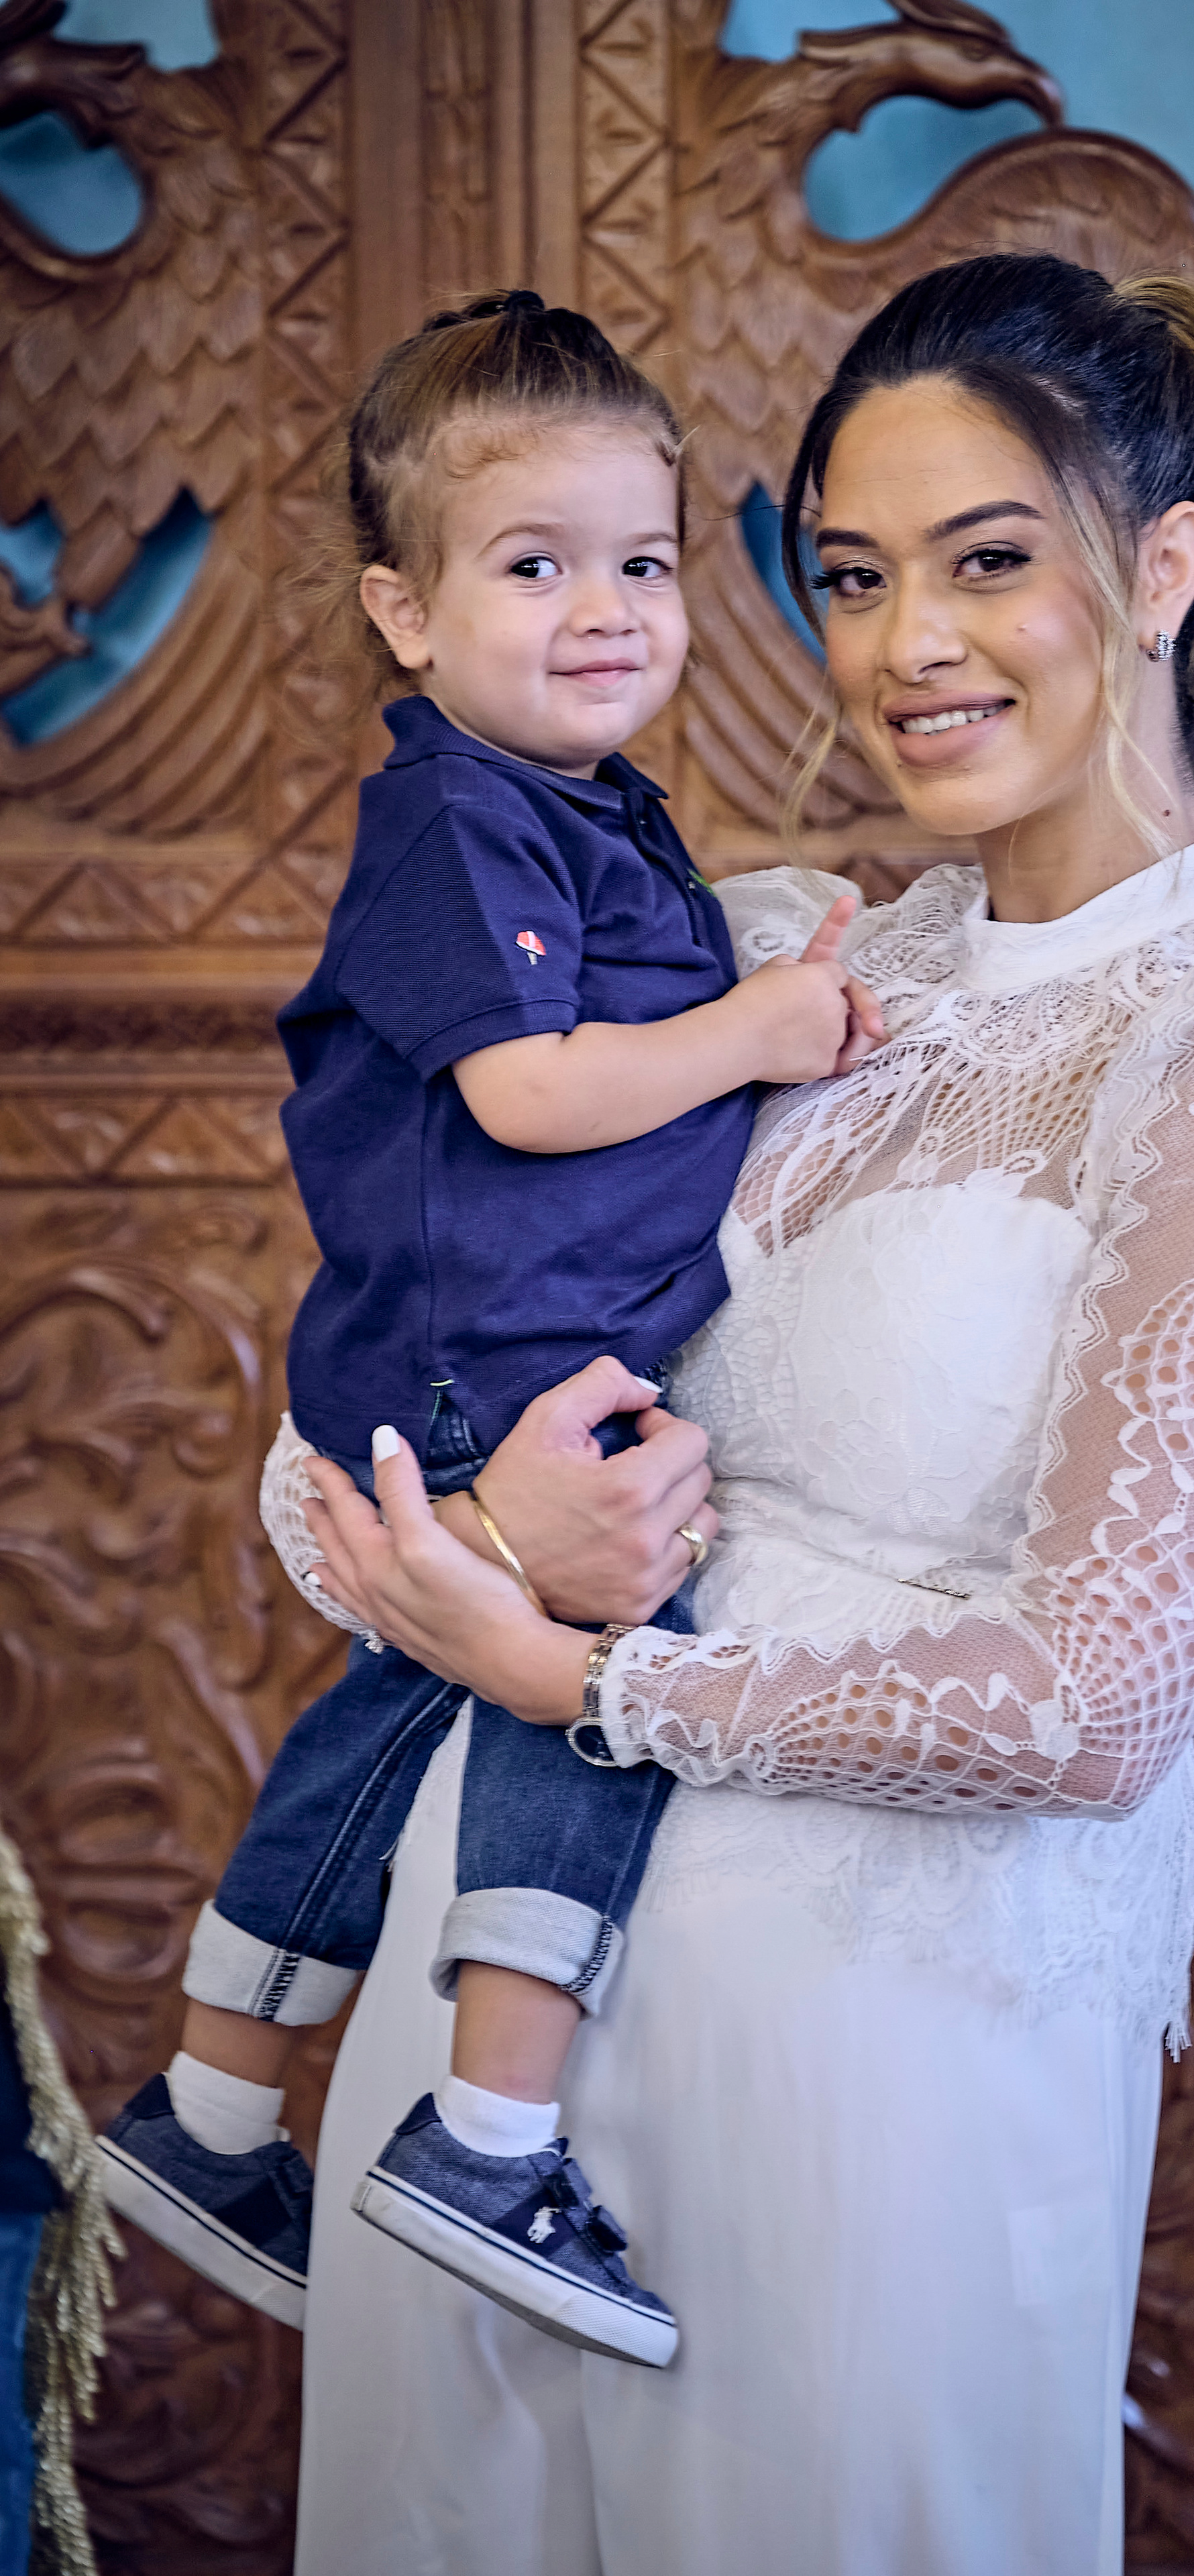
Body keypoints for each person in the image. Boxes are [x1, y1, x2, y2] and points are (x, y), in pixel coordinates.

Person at [285, 252, 1194, 2575]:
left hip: (886, 2068)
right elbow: (336, 1431)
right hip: (487, 2035)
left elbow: (1100, 1702)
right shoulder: (766, 955)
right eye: (850, 576)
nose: (909, 642)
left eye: (987, 561)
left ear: (1163, 566)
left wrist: (588, 1678)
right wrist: (494, 1541)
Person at [95, 288, 881, 2367]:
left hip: (505, 1343)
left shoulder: (575, 797)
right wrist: (759, 1030)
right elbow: (527, 1091)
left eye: (645, 562)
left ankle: (209, 2107)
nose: (605, 610)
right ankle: (490, 2131)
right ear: (407, 612)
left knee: (403, 1696)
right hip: (492, 1358)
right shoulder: (464, 813)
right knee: (593, 1672)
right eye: (535, 566)